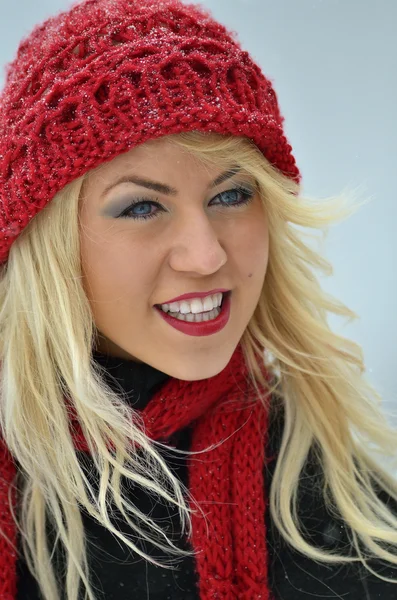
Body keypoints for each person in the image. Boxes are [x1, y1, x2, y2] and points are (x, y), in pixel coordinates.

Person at [0, 0, 396, 598]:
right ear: (47, 244)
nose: (206, 255)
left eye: (232, 195)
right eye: (142, 206)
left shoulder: (332, 519)